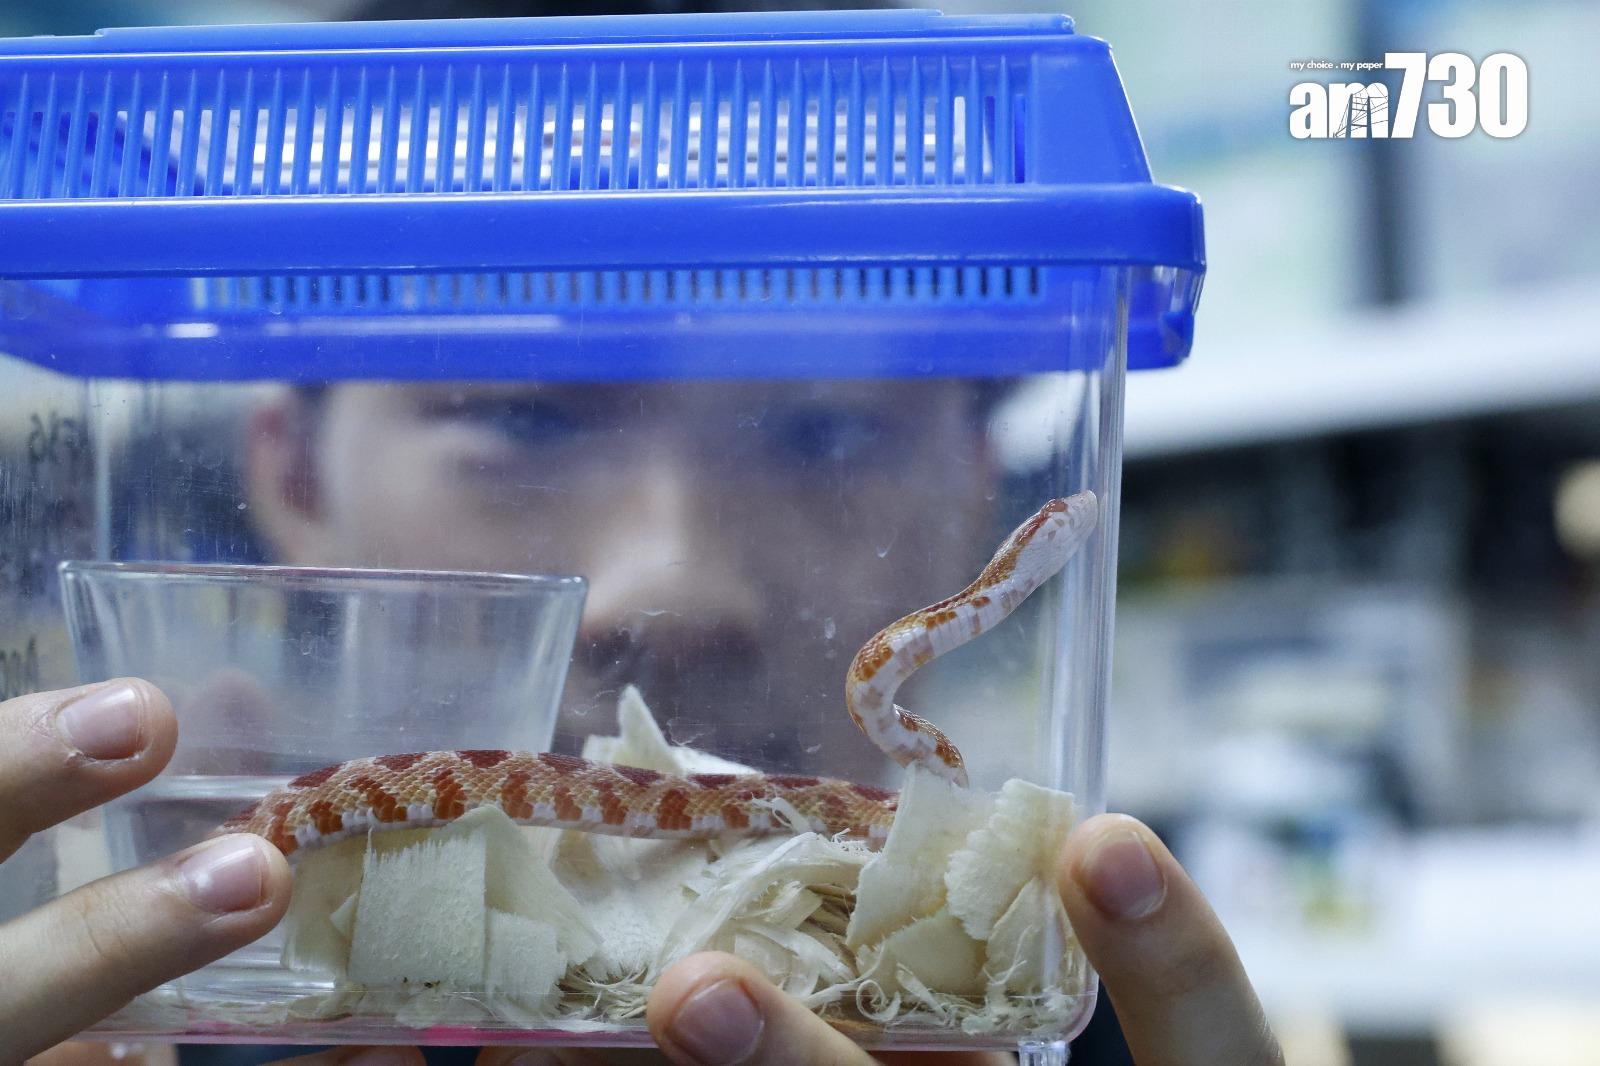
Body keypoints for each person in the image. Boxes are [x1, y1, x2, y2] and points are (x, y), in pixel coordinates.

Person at [3, 678, 1281, 1066]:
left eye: (815, 438)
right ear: (283, 455)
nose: (676, 556)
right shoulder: (158, 1029)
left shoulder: (1053, 977)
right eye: (522, 417)